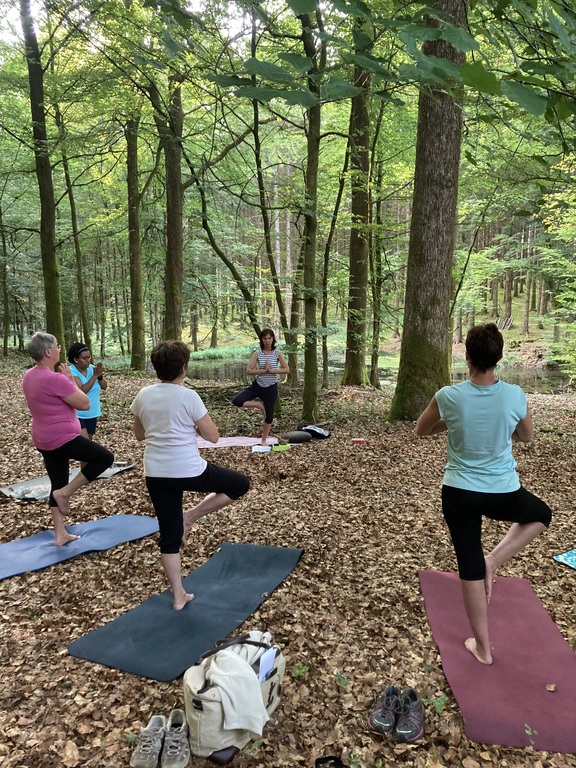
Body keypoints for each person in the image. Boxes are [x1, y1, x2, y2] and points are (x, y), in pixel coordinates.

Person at [415, 323, 552, 665]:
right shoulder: (515, 395)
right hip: (502, 492)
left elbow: (422, 429)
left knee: (471, 562)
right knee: (541, 514)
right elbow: (527, 436)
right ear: (499, 358)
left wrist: (455, 420)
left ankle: (484, 649)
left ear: (468, 356)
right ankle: (495, 560)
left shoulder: (449, 396)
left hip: (459, 492)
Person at [131, 340, 250, 611]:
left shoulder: (143, 395)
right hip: (188, 470)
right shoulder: (188, 396)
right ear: (184, 367)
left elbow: (139, 435)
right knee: (239, 484)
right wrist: (189, 428)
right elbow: (213, 436)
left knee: (170, 536)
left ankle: (178, 596)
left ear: (156, 368)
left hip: (156, 473)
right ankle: (192, 515)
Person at [22, 332, 115, 546]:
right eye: (57, 346)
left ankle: (60, 534)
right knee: (104, 458)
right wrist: (68, 381)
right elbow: (84, 403)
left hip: (42, 438)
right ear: (48, 352)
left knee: (57, 480)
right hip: (61, 438)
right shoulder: (55, 379)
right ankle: (65, 493)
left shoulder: (29, 375)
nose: (59, 349)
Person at [232, 328, 290, 445]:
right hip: (257, 386)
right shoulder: (257, 354)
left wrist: (272, 371)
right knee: (237, 400)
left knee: (269, 416)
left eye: (269, 338)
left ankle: (264, 440)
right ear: (261, 340)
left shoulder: (277, 353)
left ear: (273, 339)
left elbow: (287, 369)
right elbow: (249, 370)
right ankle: (259, 405)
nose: (267, 341)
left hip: (271, 388)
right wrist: (263, 370)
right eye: (265, 338)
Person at [67, 342, 107, 440]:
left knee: (88, 441)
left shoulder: (92, 368)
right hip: (77, 414)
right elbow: (82, 390)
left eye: (89, 357)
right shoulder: (70, 372)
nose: (88, 360)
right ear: (75, 359)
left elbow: (104, 387)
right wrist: (95, 376)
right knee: (84, 443)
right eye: (84, 358)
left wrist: (100, 376)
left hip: (92, 413)